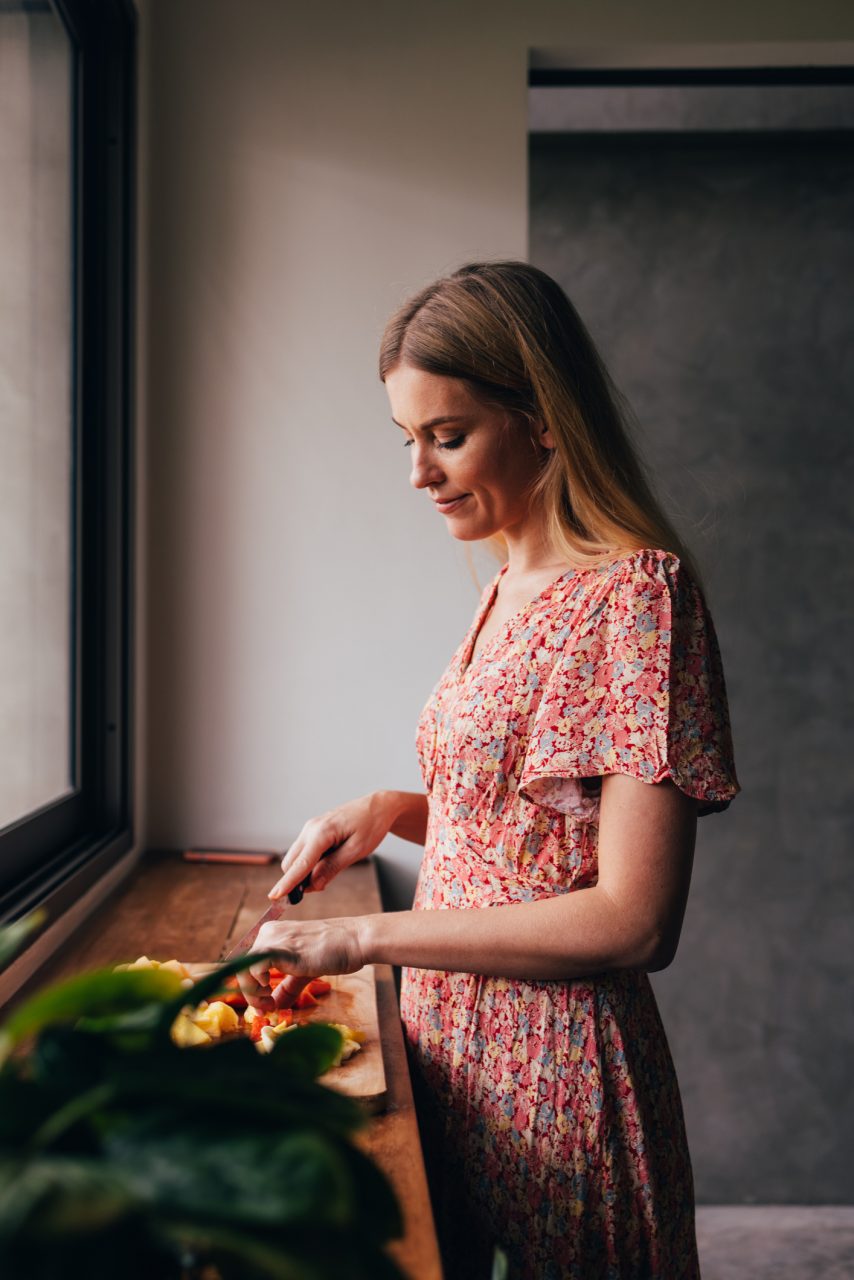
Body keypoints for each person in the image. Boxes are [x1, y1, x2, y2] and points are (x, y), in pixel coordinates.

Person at [239, 261, 740, 1280]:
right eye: (406, 439)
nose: (417, 474)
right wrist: (392, 808)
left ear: (544, 418)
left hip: (556, 1078)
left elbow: (631, 916)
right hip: (449, 1052)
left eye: (446, 435)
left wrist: (364, 936)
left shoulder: (637, 597)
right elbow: (538, 830)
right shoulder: (506, 579)